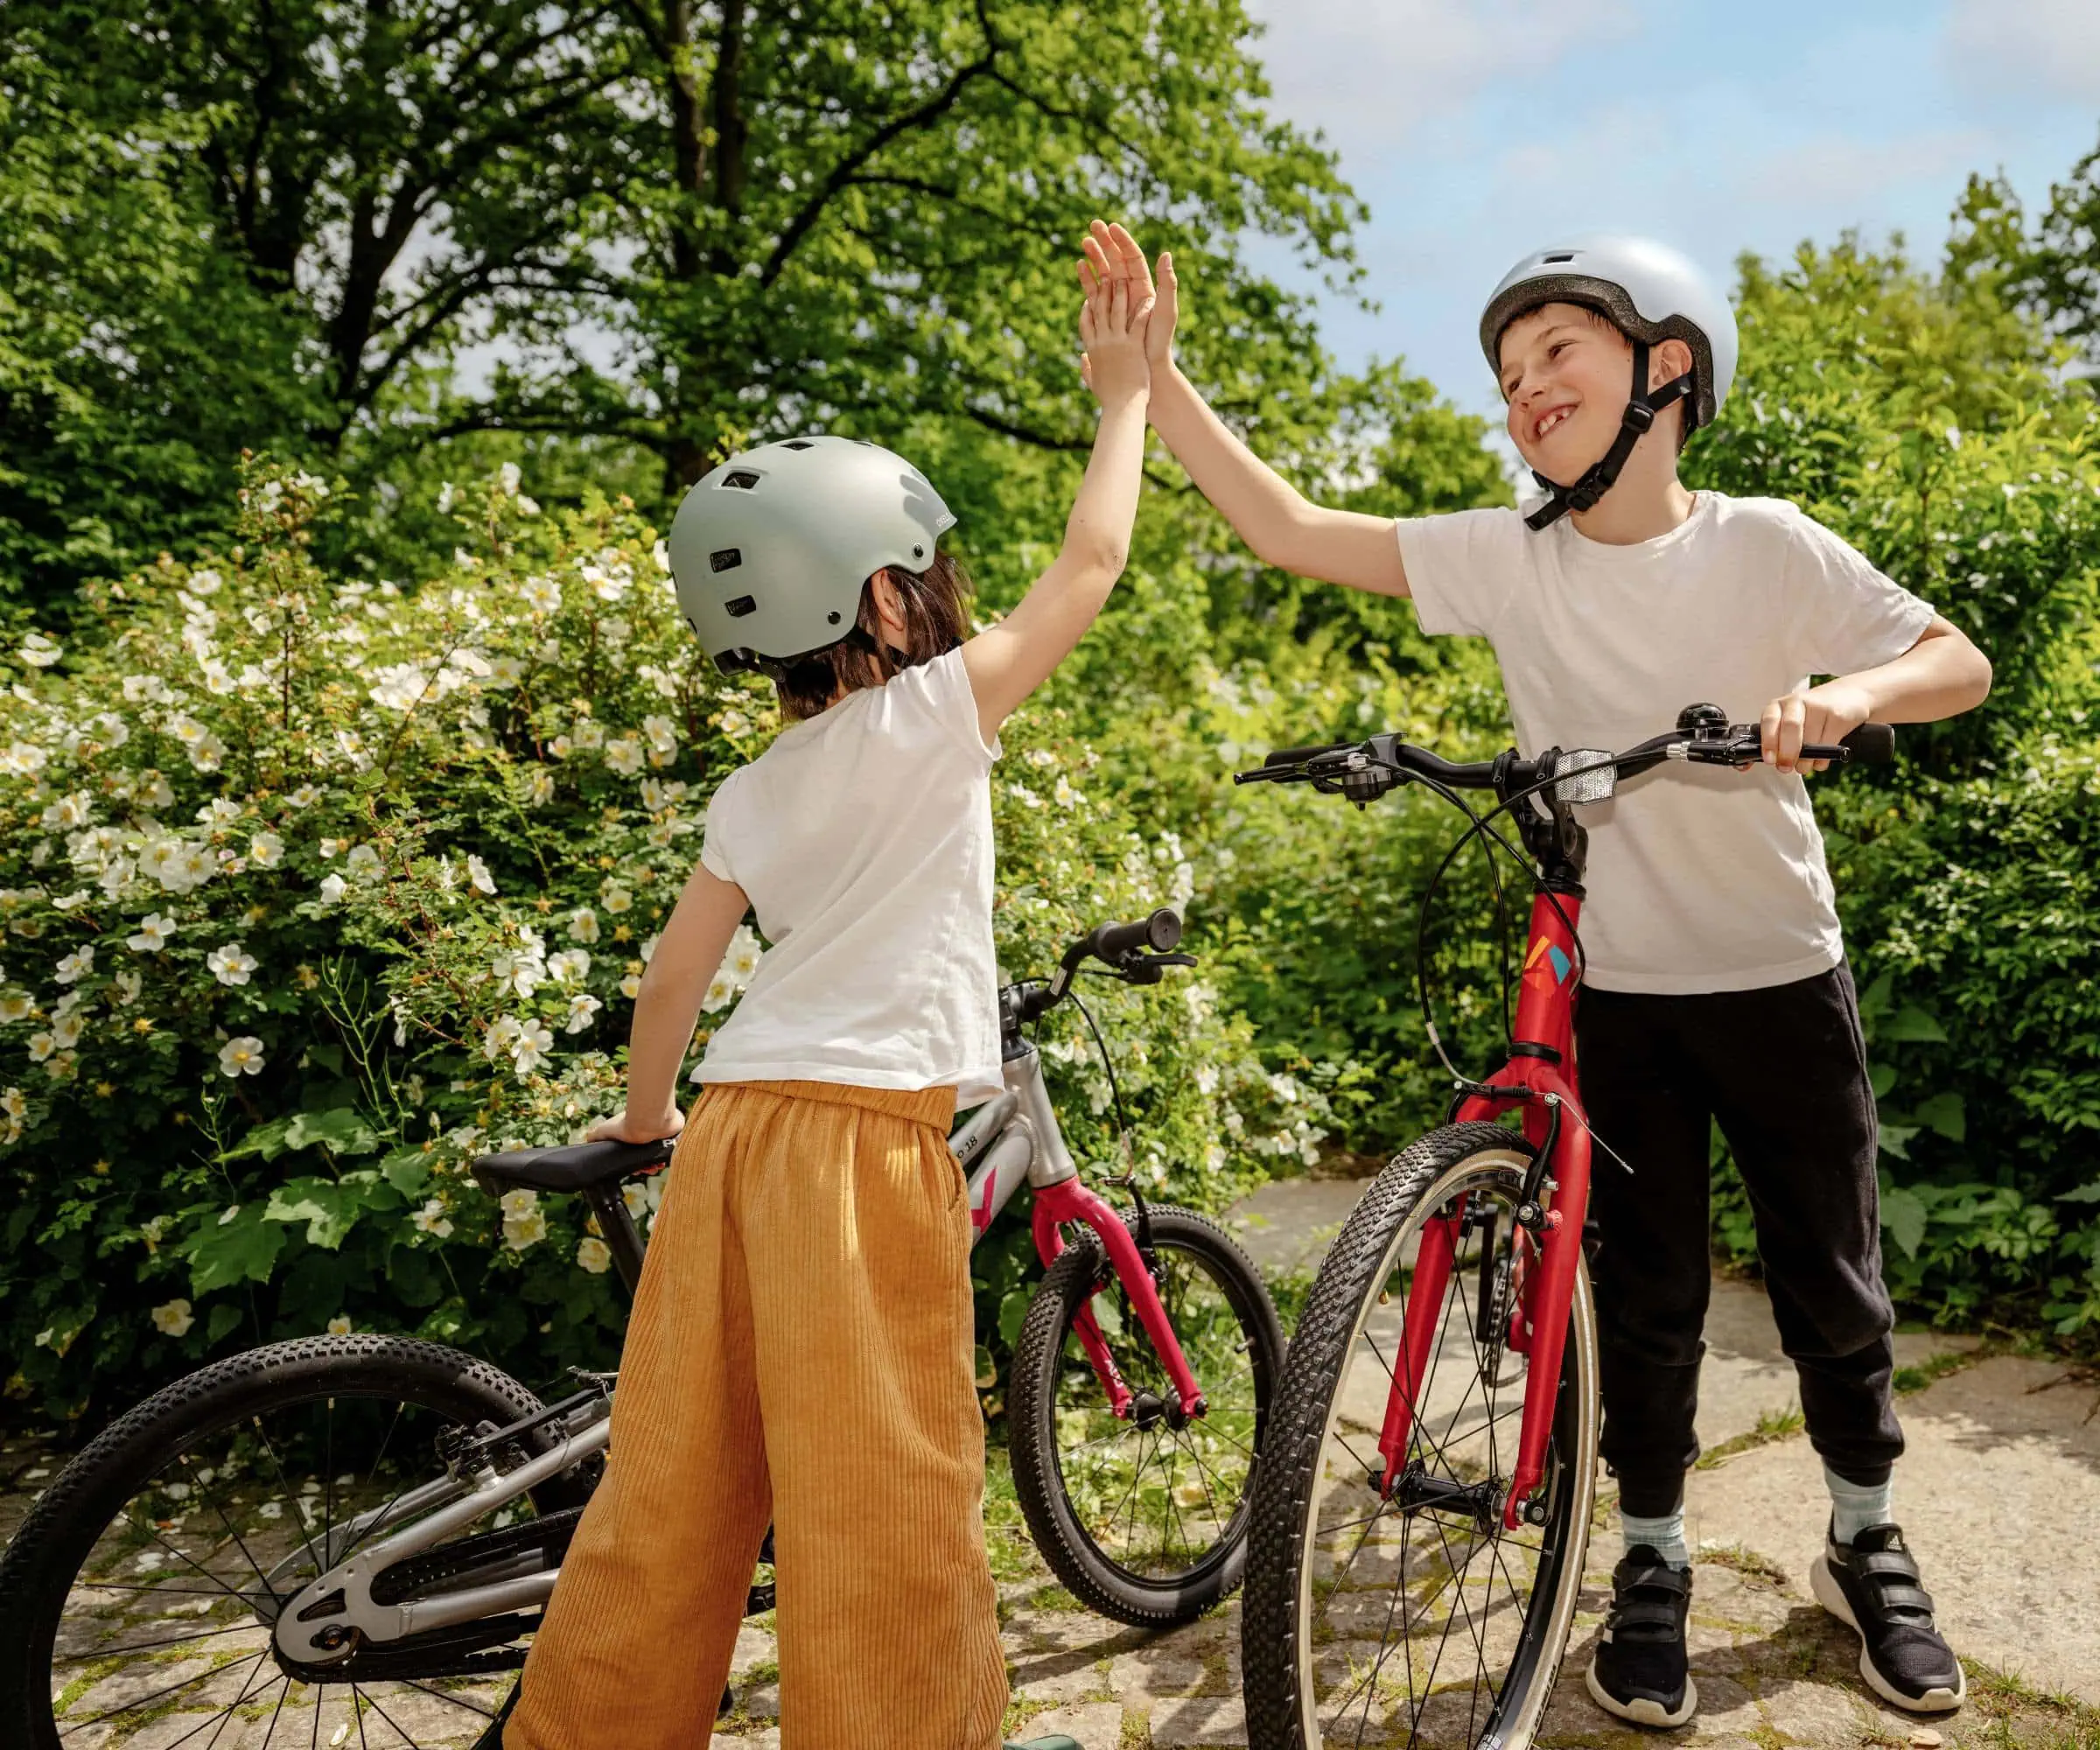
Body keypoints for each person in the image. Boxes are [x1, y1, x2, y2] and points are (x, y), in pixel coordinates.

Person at [1086, 220, 1992, 1726]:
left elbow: (1951, 659)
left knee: (1833, 1282)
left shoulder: (1760, 543)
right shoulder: (1509, 559)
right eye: (1508, 375)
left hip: (1775, 973)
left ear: (1669, 367)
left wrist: (1851, 693)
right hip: (1616, 989)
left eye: (1557, 352)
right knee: (1642, 1295)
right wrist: (1158, 386)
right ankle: (1649, 1559)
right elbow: (1295, 531)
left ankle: (1865, 1541)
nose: (1525, 390)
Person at [498, 252, 1156, 1750]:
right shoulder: (935, 715)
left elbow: (675, 974)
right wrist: (1121, 403)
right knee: (881, 1486)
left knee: (673, 1483)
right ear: (882, 592)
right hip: (862, 1150)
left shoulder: (751, 788)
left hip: (731, 1142)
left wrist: (647, 1113)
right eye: (928, 572)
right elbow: (1092, 569)